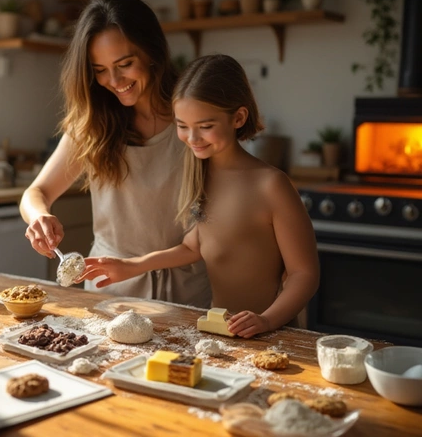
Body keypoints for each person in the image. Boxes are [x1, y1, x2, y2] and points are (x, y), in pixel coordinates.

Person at [80, 54, 320, 338]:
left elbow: (304, 274)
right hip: (218, 331)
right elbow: (193, 247)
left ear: (238, 118)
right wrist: (132, 266)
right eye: (182, 126)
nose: (192, 138)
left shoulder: (271, 185)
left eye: (205, 126)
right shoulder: (200, 175)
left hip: (272, 333)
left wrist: (267, 320)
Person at [19, 0, 212, 307]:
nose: (114, 80)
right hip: (109, 294)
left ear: (151, 52)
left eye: (125, 64)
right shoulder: (92, 123)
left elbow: (216, 224)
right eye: (100, 70)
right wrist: (39, 217)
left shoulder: (191, 116)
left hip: (186, 295)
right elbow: (36, 191)